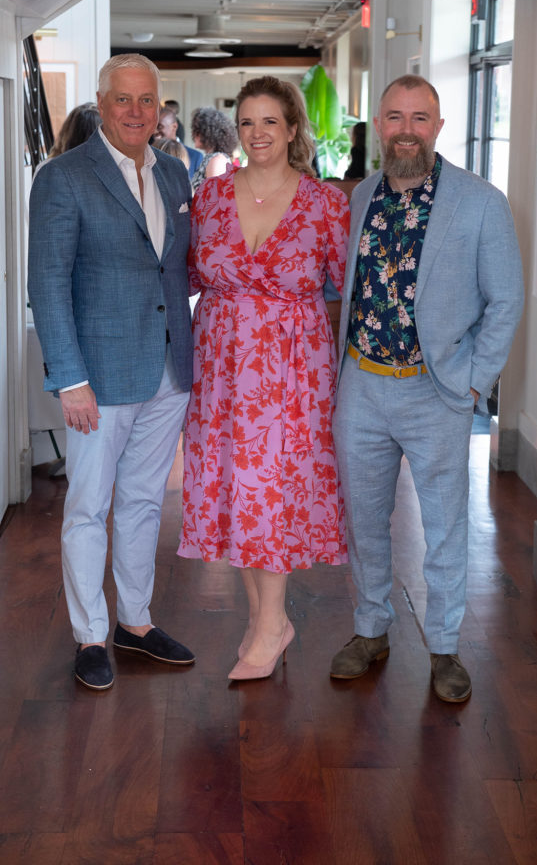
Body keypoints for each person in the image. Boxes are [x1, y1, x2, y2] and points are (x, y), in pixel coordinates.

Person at [329, 74, 523, 702]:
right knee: (364, 521)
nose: (406, 128)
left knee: (443, 525)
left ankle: (444, 646)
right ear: (378, 125)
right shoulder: (360, 197)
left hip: (436, 390)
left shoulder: (481, 202)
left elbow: (506, 302)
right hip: (361, 386)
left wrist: (472, 385)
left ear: (438, 126)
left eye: (419, 117)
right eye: (394, 116)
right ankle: (371, 630)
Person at [28, 53, 195, 691]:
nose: (135, 112)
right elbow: (47, 281)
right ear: (102, 104)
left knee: (146, 502)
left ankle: (135, 621)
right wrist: (68, 378)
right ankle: (91, 635)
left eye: (146, 100)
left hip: (168, 369)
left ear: (160, 106)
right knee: (88, 507)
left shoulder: (177, 174)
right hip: (96, 375)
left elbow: (175, 272)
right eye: (122, 100)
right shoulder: (65, 177)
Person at [178, 75, 350, 681]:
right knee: (236, 488)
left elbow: (351, 292)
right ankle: (262, 619)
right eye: (247, 122)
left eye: (269, 122)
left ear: (293, 128)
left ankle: (272, 623)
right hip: (223, 367)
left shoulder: (326, 202)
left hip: (293, 369)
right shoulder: (211, 198)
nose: (256, 134)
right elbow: (187, 279)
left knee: (270, 492)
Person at [190, 106, 238, 190]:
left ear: (207, 134)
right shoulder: (213, 158)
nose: (193, 135)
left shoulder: (217, 160)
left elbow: (215, 198)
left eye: (196, 131)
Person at [154, 106, 203, 180]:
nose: (154, 131)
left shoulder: (195, 157)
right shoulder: (144, 154)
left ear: (174, 126)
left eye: (159, 127)